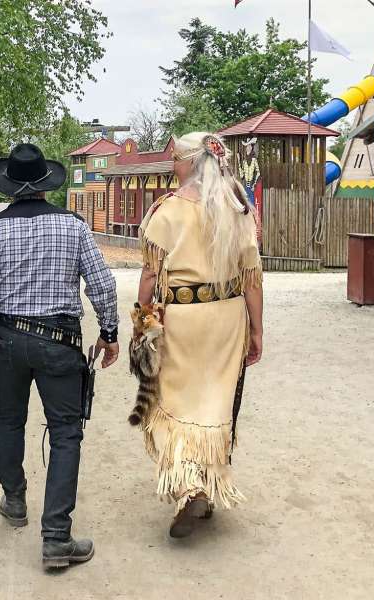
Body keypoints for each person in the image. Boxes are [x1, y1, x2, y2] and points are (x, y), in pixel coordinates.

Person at [0, 143, 119, 570]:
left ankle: (14, 500)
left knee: (10, 419)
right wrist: (109, 332)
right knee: (67, 432)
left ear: (9, 186)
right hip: (58, 340)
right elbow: (101, 284)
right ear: (47, 186)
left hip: (7, 339)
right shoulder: (74, 227)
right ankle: (56, 537)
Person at [135, 132, 263, 539]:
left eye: (175, 159)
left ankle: (188, 485)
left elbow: (151, 274)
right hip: (228, 316)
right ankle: (207, 480)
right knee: (216, 401)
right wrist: (257, 329)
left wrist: (142, 325)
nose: (172, 166)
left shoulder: (167, 211)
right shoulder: (238, 209)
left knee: (171, 400)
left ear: (190, 163)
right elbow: (252, 280)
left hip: (182, 317)